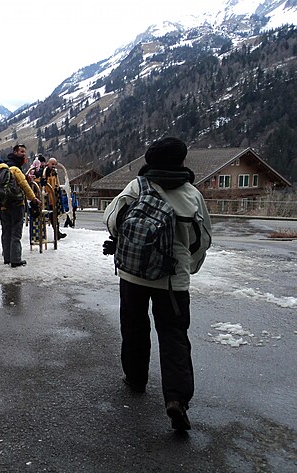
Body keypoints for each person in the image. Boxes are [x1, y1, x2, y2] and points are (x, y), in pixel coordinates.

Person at [103, 137, 212, 431]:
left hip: (133, 275)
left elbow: (112, 219)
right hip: (172, 281)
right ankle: (176, 399)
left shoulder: (138, 187)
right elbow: (202, 241)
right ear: (181, 161)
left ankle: (136, 378)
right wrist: (187, 267)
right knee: (174, 336)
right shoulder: (192, 195)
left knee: (134, 326)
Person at [0, 144, 41, 267]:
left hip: (3, 206)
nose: (24, 153)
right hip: (16, 205)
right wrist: (34, 199)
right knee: (16, 233)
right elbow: (25, 186)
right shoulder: (14, 169)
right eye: (21, 151)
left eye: (25, 151)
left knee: (6, 232)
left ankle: (7, 258)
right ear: (15, 152)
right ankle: (16, 259)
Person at [42, 157, 66, 239]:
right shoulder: (45, 172)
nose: (54, 166)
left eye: (55, 164)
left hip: (54, 197)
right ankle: (56, 232)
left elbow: (57, 184)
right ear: (48, 163)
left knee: (55, 215)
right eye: (52, 164)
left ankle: (57, 232)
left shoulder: (54, 173)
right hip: (47, 197)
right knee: (50, 215)